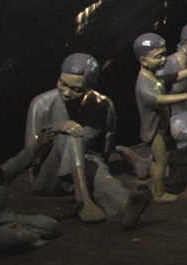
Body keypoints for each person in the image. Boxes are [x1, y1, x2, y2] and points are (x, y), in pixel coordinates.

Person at [25, 53, 144, 224]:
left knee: (103, 177)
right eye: (62, 84)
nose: (66, 93)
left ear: (90, 87)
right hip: (48, 175)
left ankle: (126, 207)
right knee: (72, 133)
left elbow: (104, 151)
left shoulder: (103, 105)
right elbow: (30, 156)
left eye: (76, 89)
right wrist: (56, 130)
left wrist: (98, 172)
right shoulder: (41, 104)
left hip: (82, 168)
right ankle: (83, 201)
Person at [120, 33, 187, 203]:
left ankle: (155, 186)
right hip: (153, 132)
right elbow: (160, 99)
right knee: (161, 161)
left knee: (156, 161)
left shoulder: (153, 77)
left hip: (160, 128)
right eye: (158, 57)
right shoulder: (143, 85)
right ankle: (159, 194)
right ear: (144, 61)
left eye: (164, 54)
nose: (164, 60)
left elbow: (171, 78)